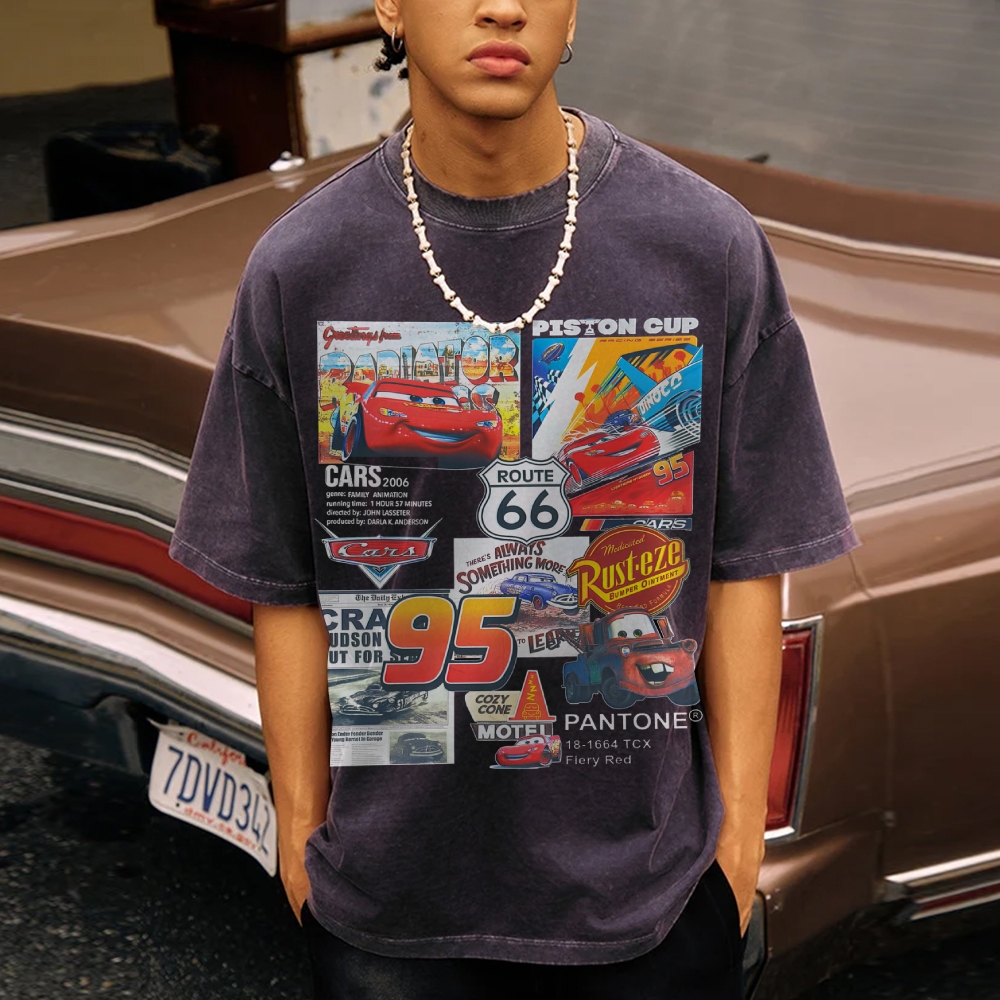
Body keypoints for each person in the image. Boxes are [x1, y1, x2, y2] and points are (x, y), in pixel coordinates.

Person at [168, 0, 858, 996]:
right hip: (386, 915)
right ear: (390, 6)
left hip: (652, 908)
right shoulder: (304, 265)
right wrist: (303, 839)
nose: (502, 5)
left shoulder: (703, 245)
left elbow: (746, 559)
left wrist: (736, 850)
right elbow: (285, 582)